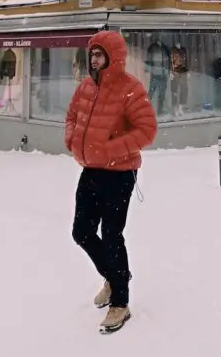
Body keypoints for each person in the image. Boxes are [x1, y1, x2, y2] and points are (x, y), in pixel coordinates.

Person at [65, 30, 158, 333]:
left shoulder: (130, 89)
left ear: (113, 57)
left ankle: (121, 301)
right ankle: (116, 275)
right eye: (92, 54)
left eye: (100, 54)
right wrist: (72, 141)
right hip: (90, 170)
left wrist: (109, 150)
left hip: (119, 174)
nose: (94, 59)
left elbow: (146, 130)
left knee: (112, 234)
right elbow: (71, 117)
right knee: (81, 232)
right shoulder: (85, 88)